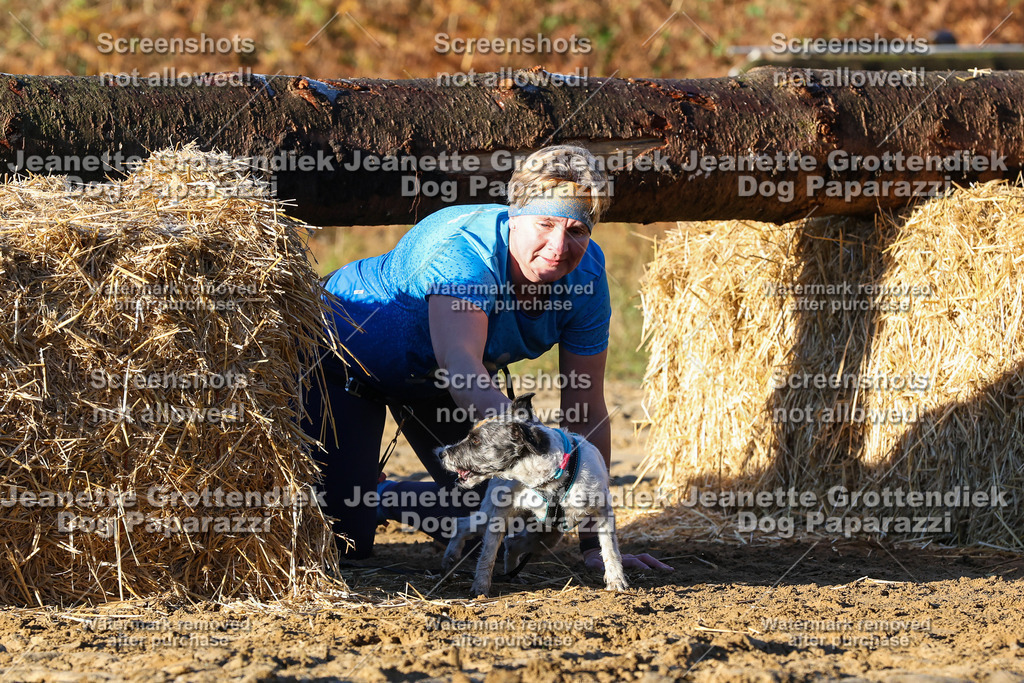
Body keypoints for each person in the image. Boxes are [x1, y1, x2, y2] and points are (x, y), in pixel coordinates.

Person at [303, 144, 671, 574]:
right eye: (545, 224)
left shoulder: (586, 276)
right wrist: (531, 459)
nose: (558, 246)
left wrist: (592, 544)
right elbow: (461, 365)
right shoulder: (466, 255)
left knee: (513, 534)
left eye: (576, 230)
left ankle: (386, 496)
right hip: (346, 361)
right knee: (344, 546)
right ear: (514, 215)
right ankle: (360, 498)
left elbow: (585, 407)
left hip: (435, 383)